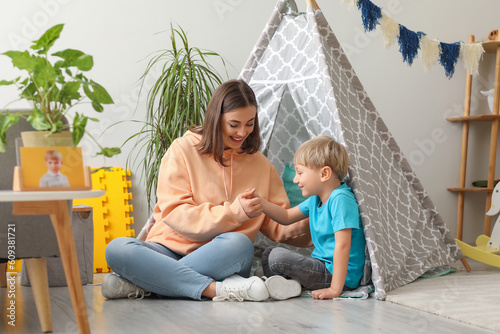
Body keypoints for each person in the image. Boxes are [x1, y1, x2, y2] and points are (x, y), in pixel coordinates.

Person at [102, 79, 311, 302]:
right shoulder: (182, 150)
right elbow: (175, 213)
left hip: (223, 256)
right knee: (117, 248)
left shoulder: (261, 165)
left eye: (250, 123)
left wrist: (321, 218)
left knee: (239, 243)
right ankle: (216, 290)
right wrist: (234, 213)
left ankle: (147, 283)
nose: (243, 132)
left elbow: (279, 224)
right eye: (234, 124)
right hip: (167, 250)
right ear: (215, 119)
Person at [255, 136, 366, 300]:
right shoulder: (316, 199)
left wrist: (335, 289)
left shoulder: (341, 199)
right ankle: (283, 284)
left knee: (277, 257)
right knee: (269, 253)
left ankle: (286, 284)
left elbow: (343, 246)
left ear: (324, 173)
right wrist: (261, 203)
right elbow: (286, 217)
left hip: (339, 276)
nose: (295, 179)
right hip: (323, 266)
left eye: (300, 173)